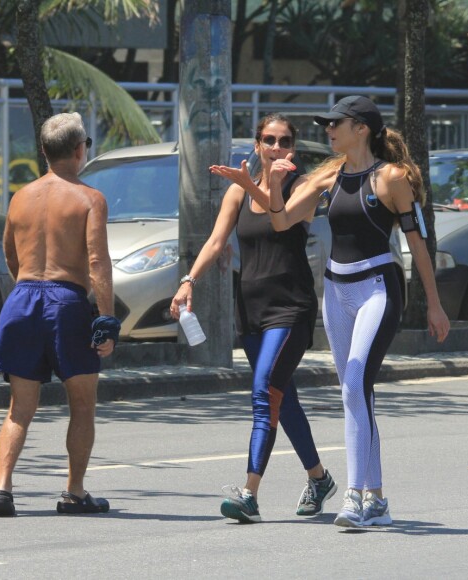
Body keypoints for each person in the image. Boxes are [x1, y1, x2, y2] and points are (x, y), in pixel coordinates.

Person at [213, 96, 450, 528]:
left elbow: (418, 244)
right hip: (337, 291)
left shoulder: (392, 177)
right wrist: (255, 183)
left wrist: (433, 304)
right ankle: (377, 499)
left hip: (379, 285)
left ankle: (358, 497)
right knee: (354, 390)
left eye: (336, 124)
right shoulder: (329, 175)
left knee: (356, 380)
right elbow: (281, 220)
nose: (328, 130)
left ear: (361, 128)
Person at [171, 113, 337, 523]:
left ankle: (249, 494)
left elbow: (280, 216)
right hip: (252, 310)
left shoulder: (305, 189)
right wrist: (189, 279)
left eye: (284, 141)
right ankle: (319, 478)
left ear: (292, 148)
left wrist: (254, 184)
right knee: (284, 396)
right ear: (259, 145)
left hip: (291, 308)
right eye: (269, 140)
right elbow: (215, 241)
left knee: (264, 392)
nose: (277, 147)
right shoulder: (239, 193)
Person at [0, 112, 119, 517]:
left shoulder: (20, 197)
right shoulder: (89, 198)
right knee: (82, 403)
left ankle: (1, 490)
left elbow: (11, 255)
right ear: (80, 151)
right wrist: (107, 320)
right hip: (65, 301)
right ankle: (74, 492)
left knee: (19, 407)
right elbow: (97, 261)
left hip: (22, 298)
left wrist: (28, 290)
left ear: (43, 151)